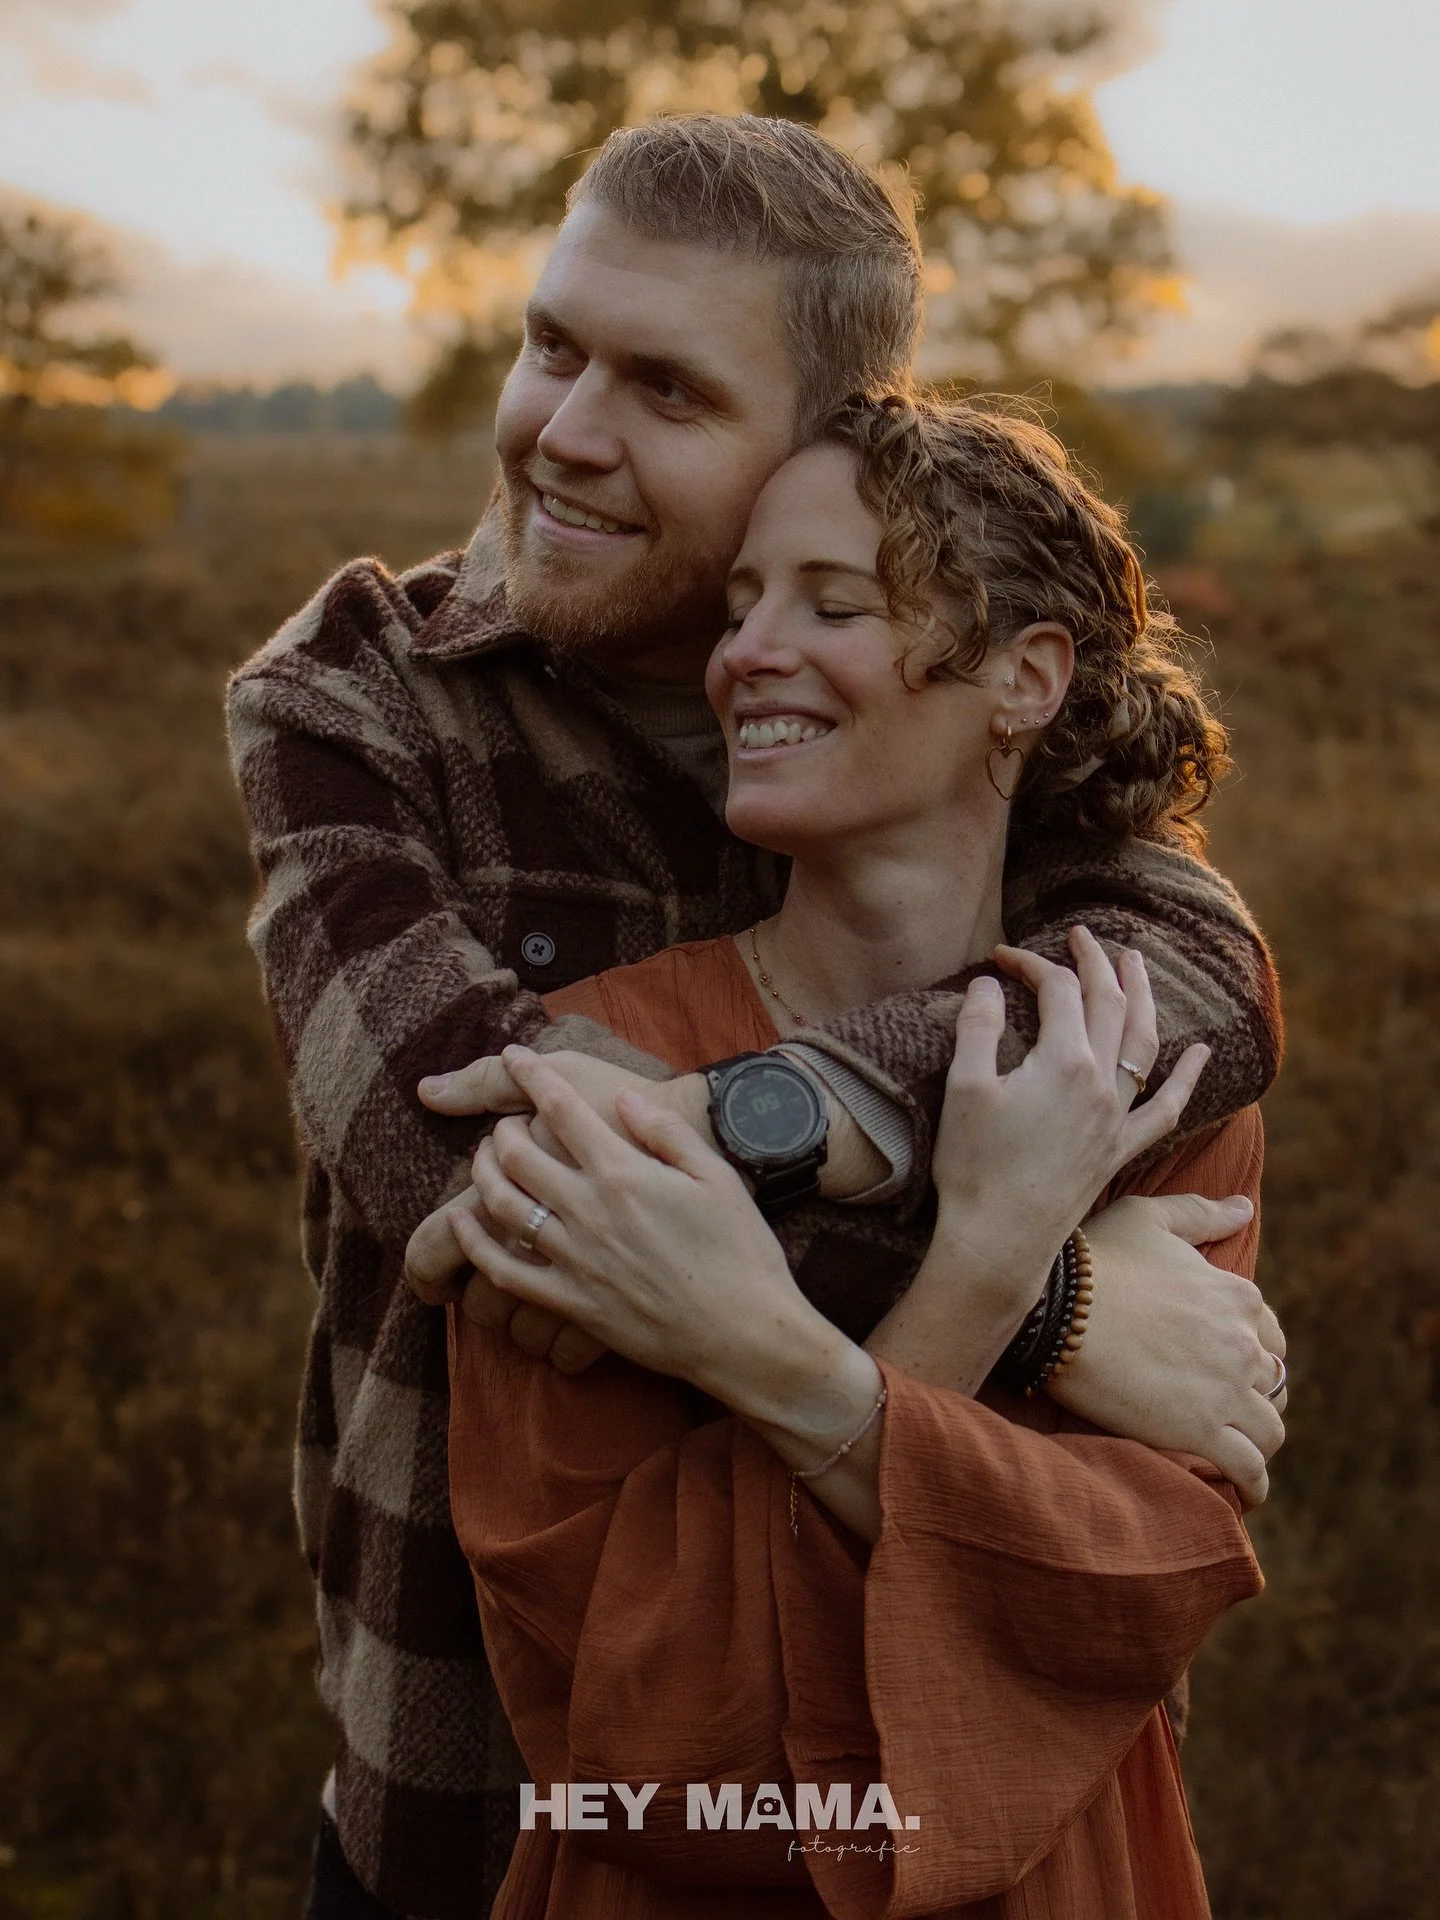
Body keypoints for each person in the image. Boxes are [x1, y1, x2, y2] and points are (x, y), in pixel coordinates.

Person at [227, 117, 1282, 1918]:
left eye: (665, 389)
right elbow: (483, 1184)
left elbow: (1194, 960)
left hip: (970, 1823)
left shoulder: (927, 725)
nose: (563, 428)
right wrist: (1039, 1285)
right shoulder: (360, 698)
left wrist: (732, 1169)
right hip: (471, 1808)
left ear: (824, 443)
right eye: (554, 343)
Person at [438, 393, 1283, 1918]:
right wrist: (993, 1276)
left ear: (1025, 681)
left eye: (834, 603)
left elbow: (1131, 1592)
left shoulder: (1137, 1071)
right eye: (742, 599)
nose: (746, 650)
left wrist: (755, 1347)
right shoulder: (599, 1077)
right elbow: (643, 1727)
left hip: (1062, 1876)